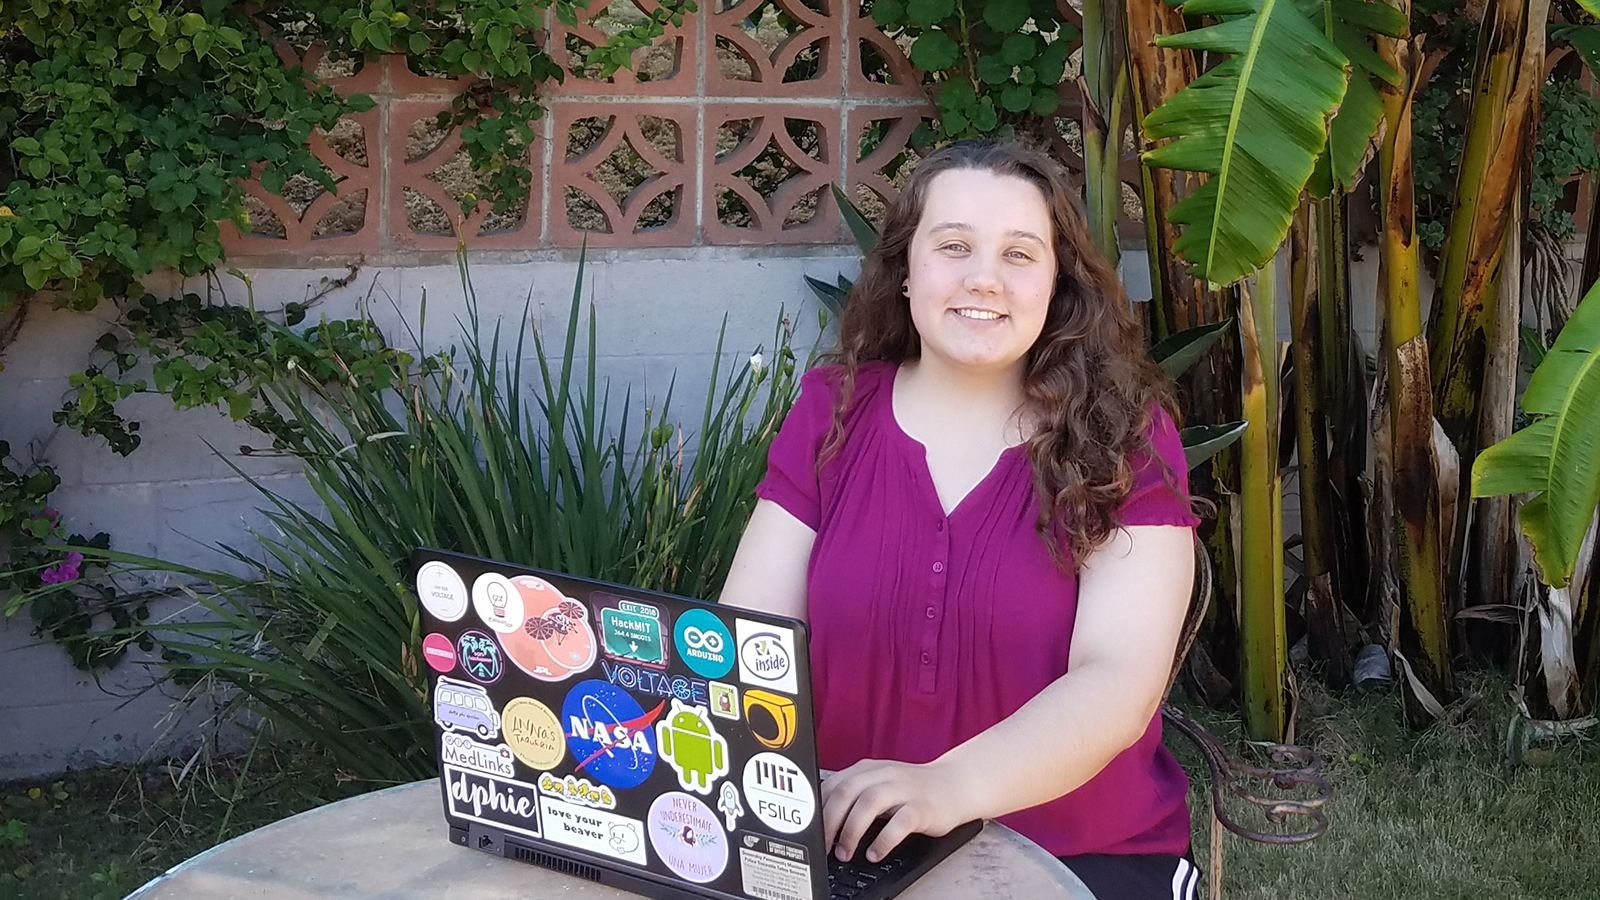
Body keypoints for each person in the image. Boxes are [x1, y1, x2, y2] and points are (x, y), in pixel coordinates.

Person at [719, 138, 1203, 900]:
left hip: (1082, 853)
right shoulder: (832, 411)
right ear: (905, 271)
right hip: (843, 841)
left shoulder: (1125, 438)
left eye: (1019, 253)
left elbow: (1120, 679)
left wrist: (947, 786)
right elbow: (747, 643)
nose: (984, 278)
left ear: (1058, 283)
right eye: (954, 247)